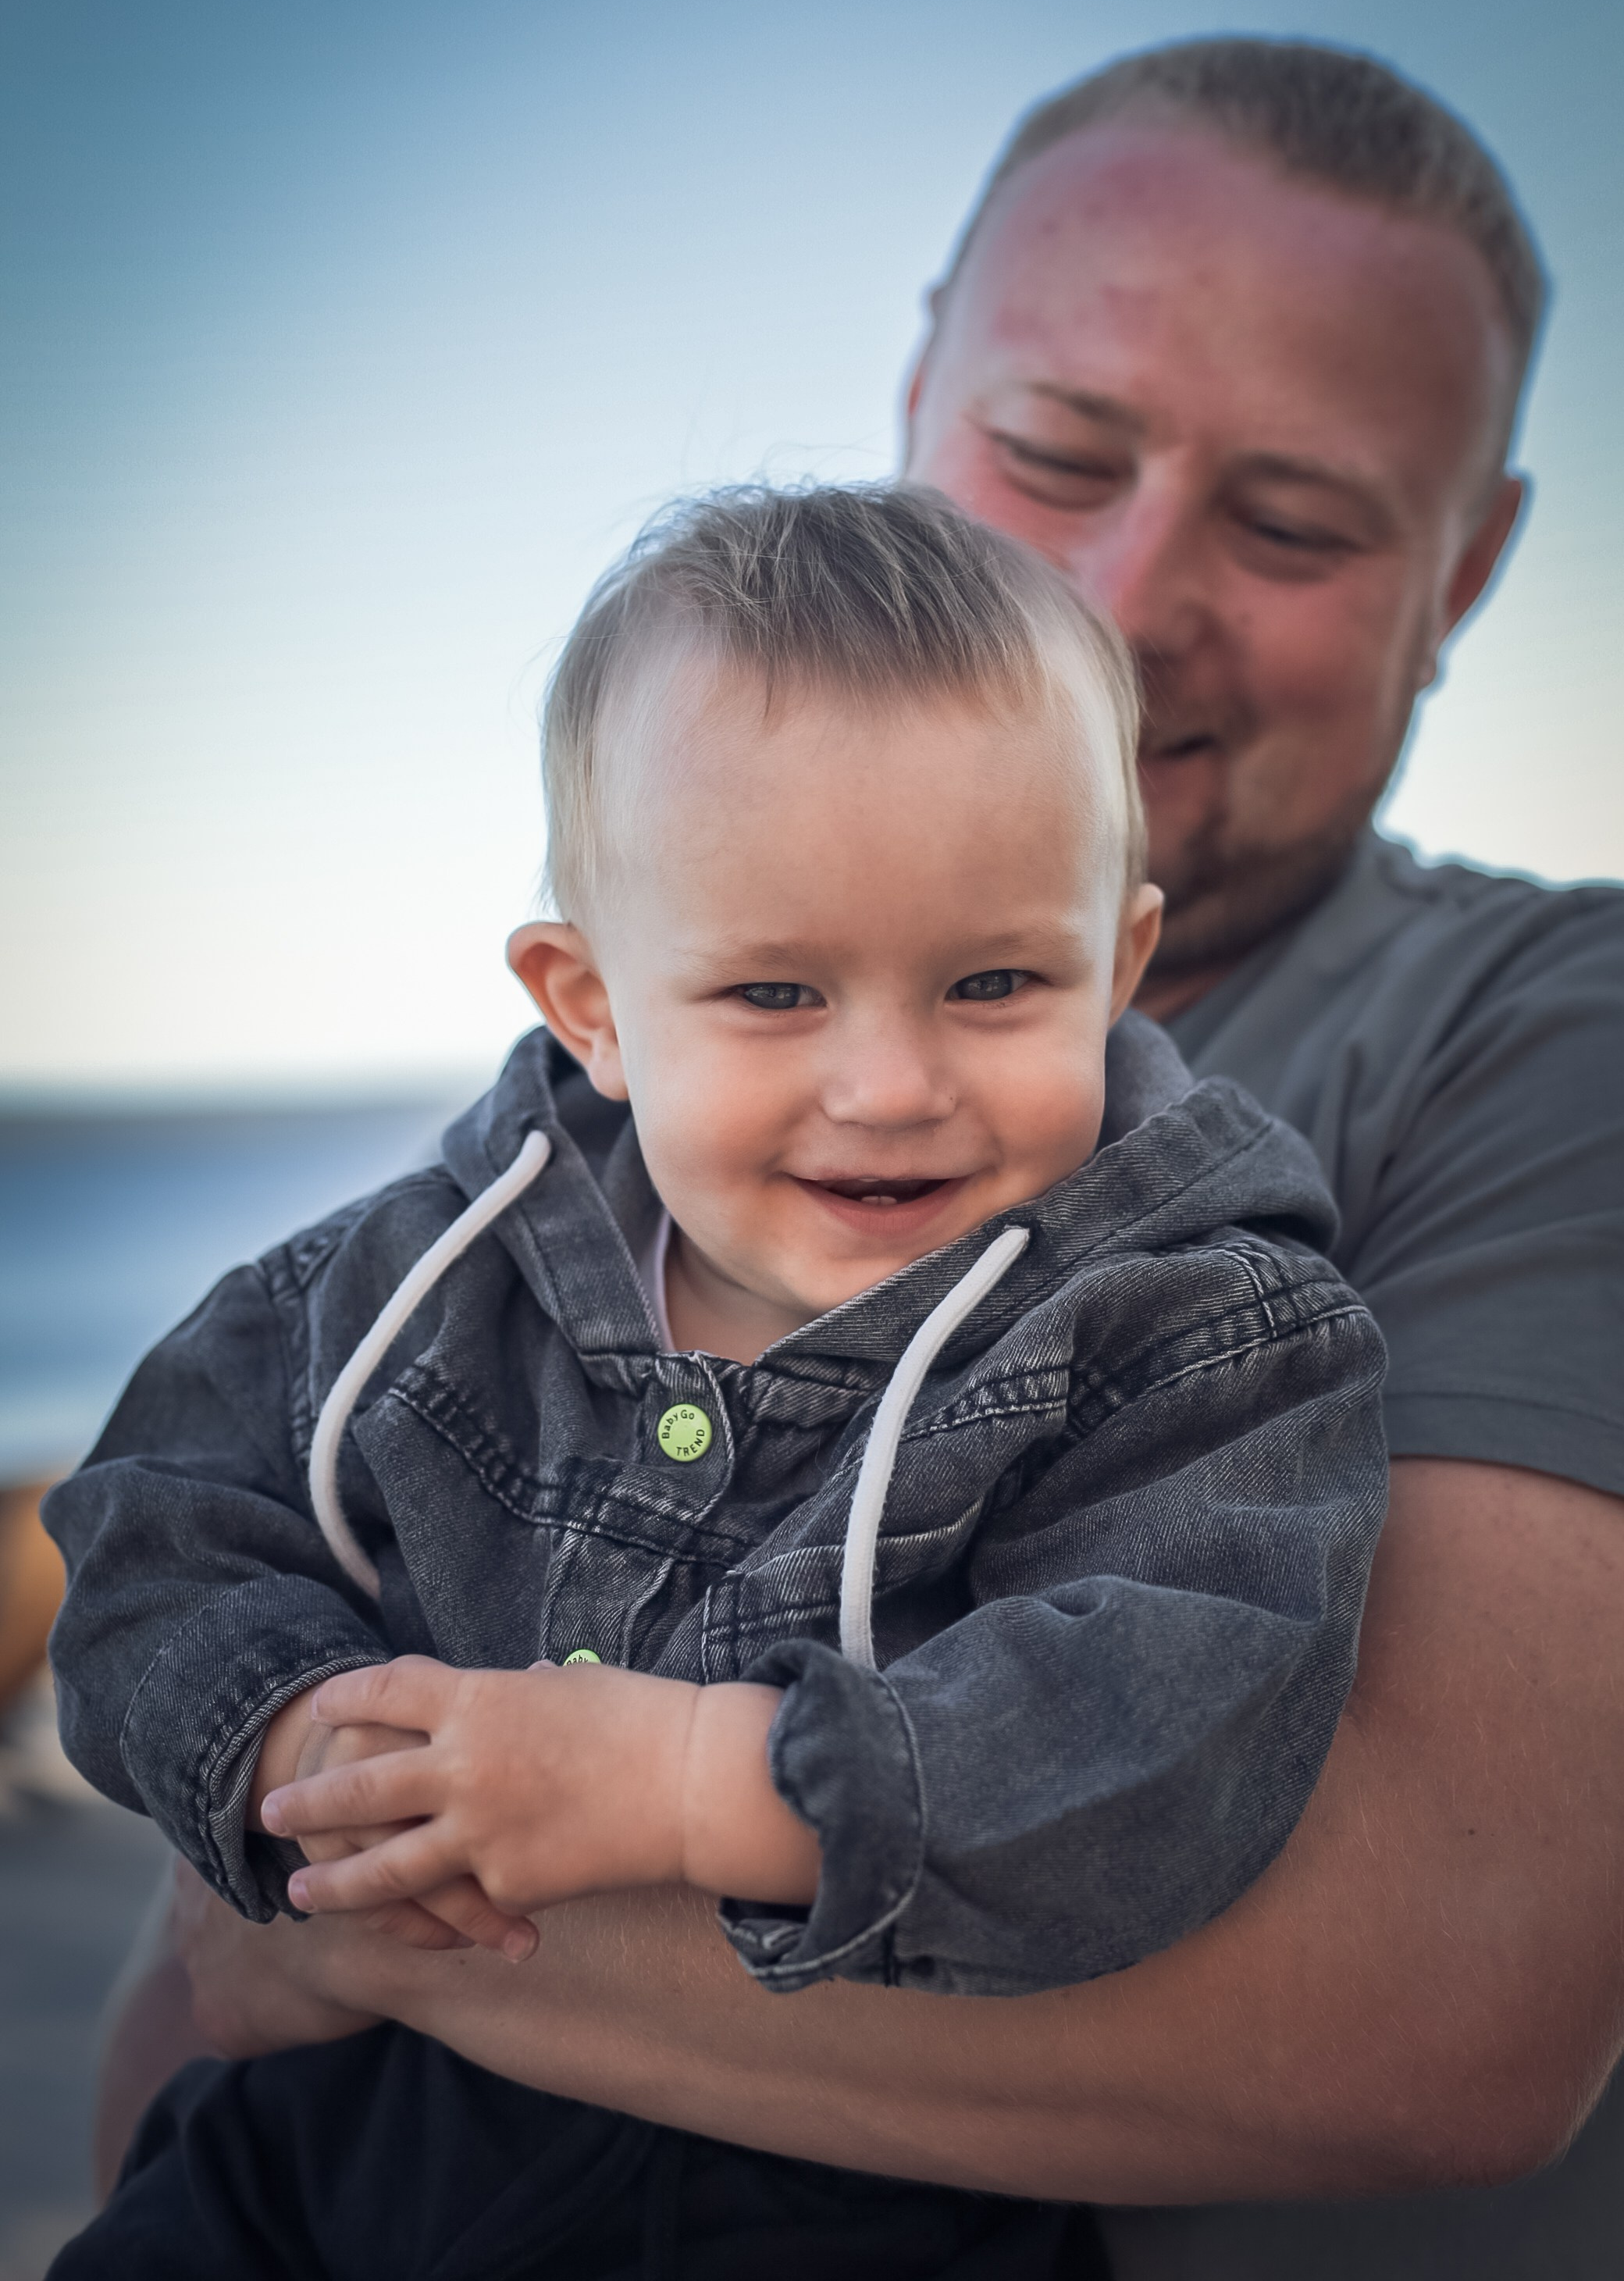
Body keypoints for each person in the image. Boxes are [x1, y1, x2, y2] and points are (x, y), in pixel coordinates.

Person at [94, 39, 1624, 2278]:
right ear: (921, 386)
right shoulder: (545, 1187)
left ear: (1468, 562)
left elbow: (1439, 2010)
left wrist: (380, 1899)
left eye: (1293, 523)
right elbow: (185, 1711)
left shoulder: (1521, 1057)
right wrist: (263, 1781)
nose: (1130, 593)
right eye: (1057, 453)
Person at [45, 482, 1387, 2276]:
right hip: (322, 2159)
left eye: (993, 981)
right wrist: (298, 1741)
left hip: (832, 2214)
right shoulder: (429, 1279)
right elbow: (149, 1527)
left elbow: (1166, 1742)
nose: (890, 1086)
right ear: (590, 1004)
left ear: (1118, 965)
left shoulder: (1184, 1334)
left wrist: (693, 1782)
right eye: (774, 995)